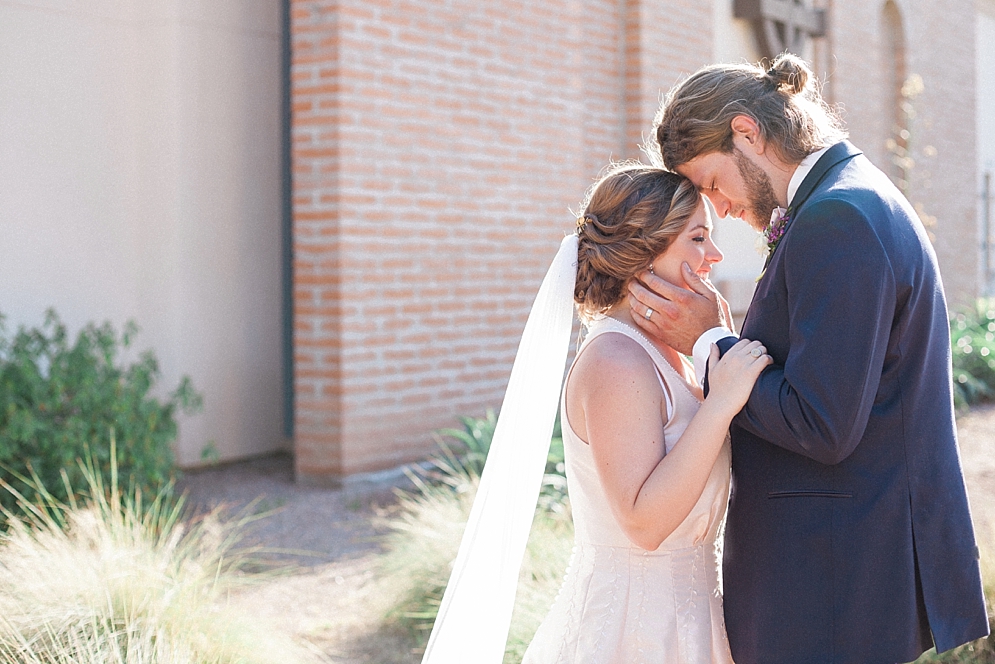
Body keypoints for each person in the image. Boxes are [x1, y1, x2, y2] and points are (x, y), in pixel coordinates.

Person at [627, 53, 990, 664]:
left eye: (714, 183)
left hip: (829, 580)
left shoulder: (838, 216)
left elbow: (820, 422)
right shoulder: (847, 197)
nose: (719, 208)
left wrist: (709, 342)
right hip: (845, 569)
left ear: (747, 132)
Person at [419, 164, 772, 664]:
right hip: (629, 634)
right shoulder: (615, 362)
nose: (714, 255)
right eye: (698, 238)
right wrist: (721, 403)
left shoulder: (669, 353)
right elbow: (644, 523)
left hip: (693, 624)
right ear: (644, 251)